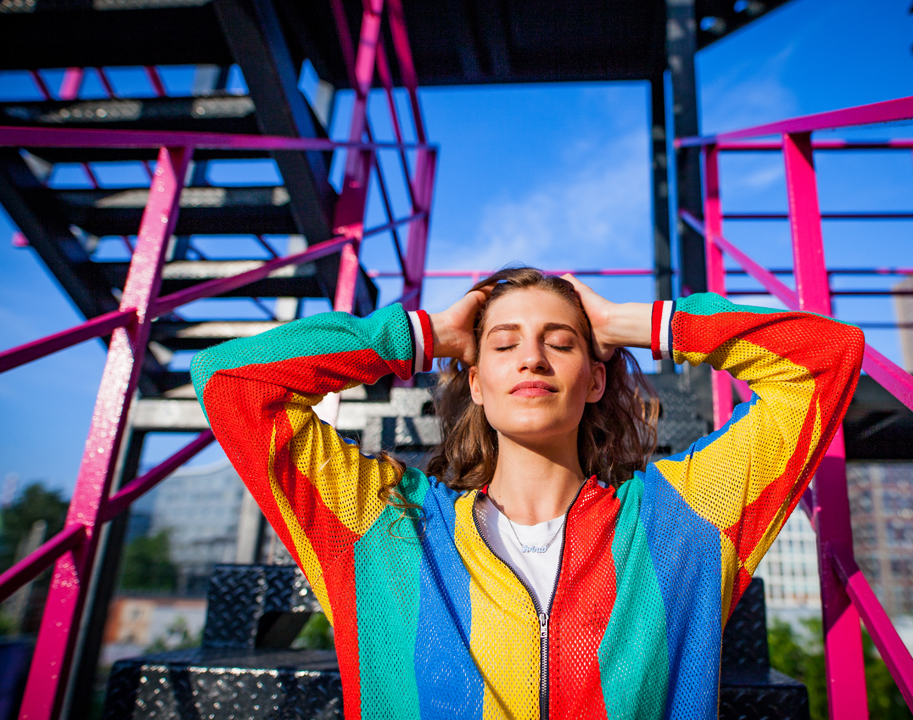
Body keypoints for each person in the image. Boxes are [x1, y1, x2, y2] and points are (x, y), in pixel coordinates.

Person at [190, 266, 864, 720]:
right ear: (476, 383)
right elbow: (231, 381)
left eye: (561, 343)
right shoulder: (384, 525)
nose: (532, 358)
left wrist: (642, 323)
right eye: (504, 344)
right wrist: (418, 336)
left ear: (595, 379)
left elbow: (824, 360)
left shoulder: (681, 519)